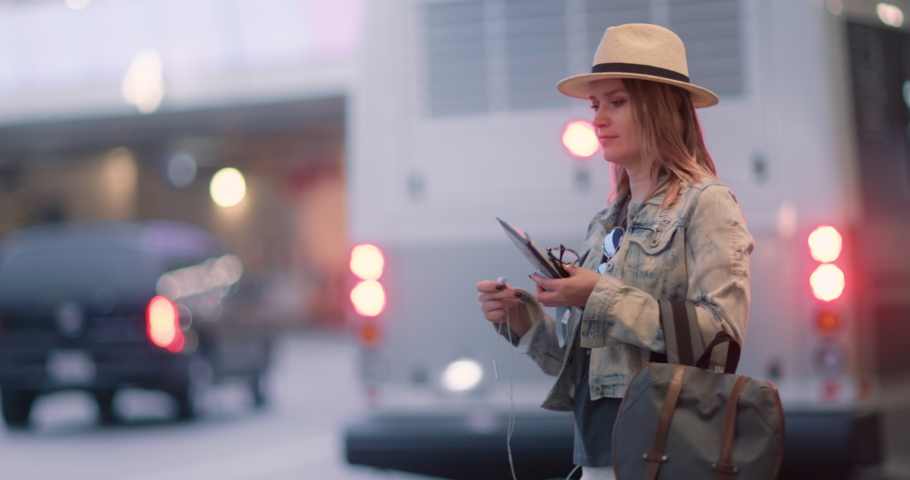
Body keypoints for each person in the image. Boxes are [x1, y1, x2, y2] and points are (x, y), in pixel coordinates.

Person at [475, 23, 754, 480]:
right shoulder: (608, 220)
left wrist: (598, 295)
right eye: (595, 105)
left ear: (660, 108)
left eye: (617, 102)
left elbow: (722, 339)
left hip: (665, 455)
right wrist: (522, 321)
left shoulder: (707, 202)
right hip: (598, 457)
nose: (597, 119)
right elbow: (585, 368)